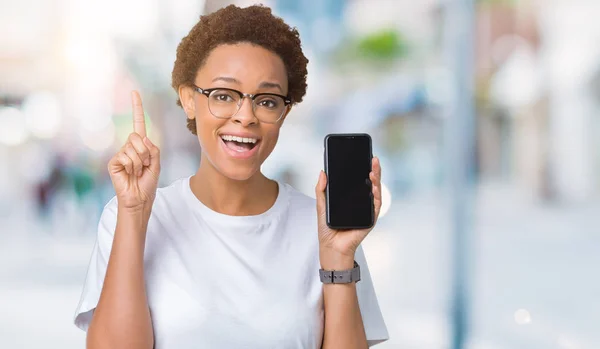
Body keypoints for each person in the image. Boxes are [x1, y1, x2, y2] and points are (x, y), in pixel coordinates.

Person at [74, 4, 389, 349]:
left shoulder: (327, 228)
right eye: (224, 96)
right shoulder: (130, 215)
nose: (246, 117)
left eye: (267, 101)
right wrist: (134, 215)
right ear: (189, 100)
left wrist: (339, 258)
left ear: (284, 113)